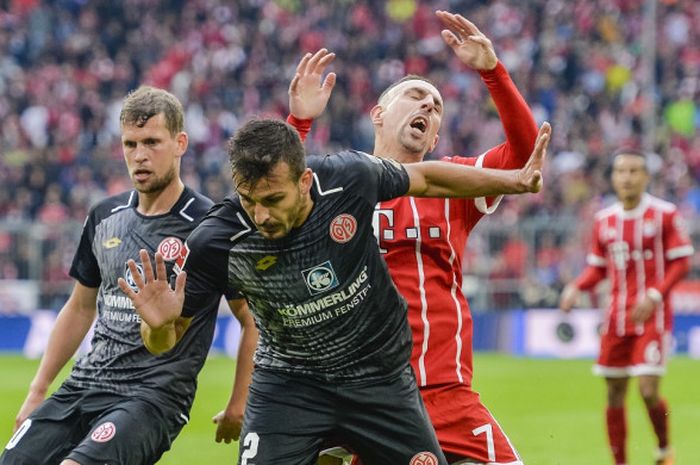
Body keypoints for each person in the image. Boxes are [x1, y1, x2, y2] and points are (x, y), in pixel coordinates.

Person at [118, 116, 550, 464]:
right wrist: (155, 328)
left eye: (273, 200)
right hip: (289, 383)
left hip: (377, 377)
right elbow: (164, 342)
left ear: (305, 181)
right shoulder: (215, 241)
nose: (261, 215)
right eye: (249, 201)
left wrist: (513, 181)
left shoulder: (349, 178)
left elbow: (427, 178)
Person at [288, 10, 538, 465]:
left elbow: (525, 156)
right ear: (378, 114)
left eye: (436, 106)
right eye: (416, 96)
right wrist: (299, 124)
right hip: (371, 397)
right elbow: (275, 191)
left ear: (437, 134)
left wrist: (492, 71)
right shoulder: (340, 183)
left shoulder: (456, 184)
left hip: (448, 393)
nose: (427, 105)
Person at [0, 86, 257, 465]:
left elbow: (249, 319)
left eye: (152, 142)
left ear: (180, 143)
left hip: (152, 397)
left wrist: (239, 403)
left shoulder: (210, 226)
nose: (139, 155)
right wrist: (38, 391)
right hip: (85, 385)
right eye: (130, 144)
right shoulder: (105, 215)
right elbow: (79, 307)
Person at [559, 149, 693, 465]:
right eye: (621, 171)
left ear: (646, 176)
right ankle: (620, 462)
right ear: (613, 178)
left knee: (648, 389)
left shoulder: (665, 215)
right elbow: (598, 268)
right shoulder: (604, 221)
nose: (627, 177)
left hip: (652, 317)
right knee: (614, 392)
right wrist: (577, 286)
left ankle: (663, 450)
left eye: (634, 171)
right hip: (615, 318)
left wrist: (655, 296)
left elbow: (682, 262)